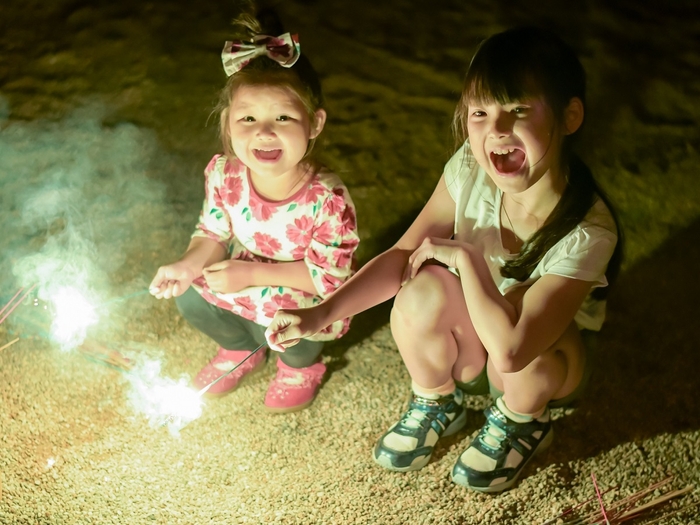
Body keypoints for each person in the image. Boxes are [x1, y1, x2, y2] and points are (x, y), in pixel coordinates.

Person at [265, 26, 621, 491]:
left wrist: (466, 258)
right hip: (476, 350)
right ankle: (438, 400)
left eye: (517, 110)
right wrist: (320, 313)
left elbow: (514, 352)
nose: (495, 129)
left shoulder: (589, 231)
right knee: (421, 288)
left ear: (570, 116)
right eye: (479, 112)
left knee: (516, 302)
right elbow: (401, 256)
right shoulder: (469, 171)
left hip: (538, 366)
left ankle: (523, 420)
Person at [149, 9, 359, 413]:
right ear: (228, 124)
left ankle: (299, 367)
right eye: (248, 118)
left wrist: (250, 273)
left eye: (282, 117)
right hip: (245, 280)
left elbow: (327, 279)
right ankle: (238, 349)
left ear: (314, 123)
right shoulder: (224, 174)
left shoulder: (327, 199)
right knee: (191, 295)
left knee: (294, 324)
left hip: (301, 293)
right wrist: (187, 265)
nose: (264, 131)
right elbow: (211, 234)